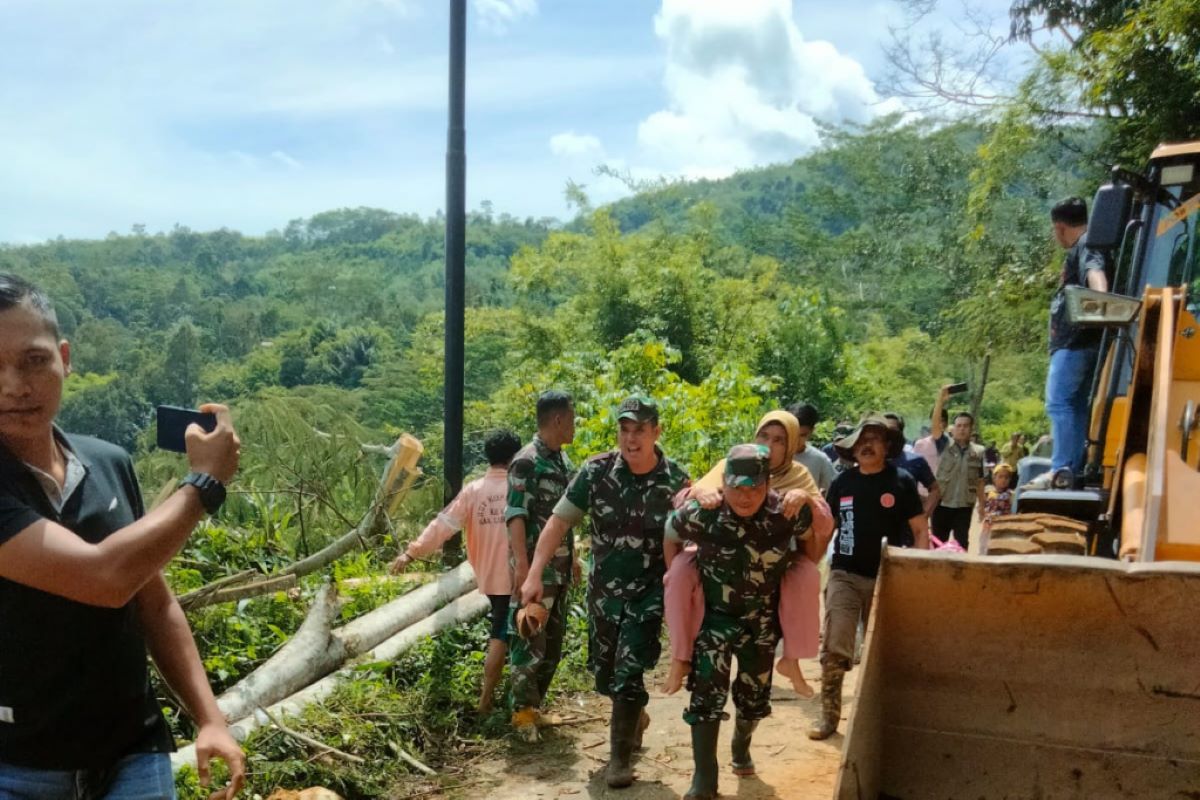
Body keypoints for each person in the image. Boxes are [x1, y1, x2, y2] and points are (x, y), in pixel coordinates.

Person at [0, 274, 245, 799]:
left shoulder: (108, 462)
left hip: (132, 755)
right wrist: (203, 484)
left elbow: (151, 601)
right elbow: (104, 578)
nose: (13, 385)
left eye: (33, 360)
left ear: (65, 357)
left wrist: (210, 719)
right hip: (16, 767)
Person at [520, 396, 690, 789]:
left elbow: (691, 539)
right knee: (605, 675)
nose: (631, 439)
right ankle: (633, 716)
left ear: (656, 431)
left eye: (640, 430)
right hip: (603, 595)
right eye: (624, 430)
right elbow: (558, 523)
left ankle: (619, 760)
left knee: (629, 673)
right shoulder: (596, 472)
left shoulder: (675, 480)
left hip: (648, 594)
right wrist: (533, 573)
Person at [666, 445, 818, 800]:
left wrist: (798, 572)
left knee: (752, 700)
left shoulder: (788, 512)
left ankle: (741, 744)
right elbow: (670, 533)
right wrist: (677, 571)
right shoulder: (703, 512)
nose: (745, 496)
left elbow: (810, 548)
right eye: (736, 487)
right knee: (706, 695)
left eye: (754, 487)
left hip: (762, 621)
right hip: (715, 619)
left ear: (767, 483)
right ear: (724, 483)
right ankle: (705, 778)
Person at [662, 410, 834, 699]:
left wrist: (804, 498)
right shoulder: (735, 463)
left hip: (772, 560)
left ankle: (792, 659)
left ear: (792, 446)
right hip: (719, 555)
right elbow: (687, 501)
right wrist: (701, 494)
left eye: (779, 440)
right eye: (763, 436)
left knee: (806, 576)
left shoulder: (798, 475)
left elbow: (821, 525)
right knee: (678, 572)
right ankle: (680, 657)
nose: (769, 444)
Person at [808, 416, 928, 741]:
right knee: (835, 649)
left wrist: (918, 572)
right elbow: (826, 529)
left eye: (875, 438)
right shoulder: (843, 483)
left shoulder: (901, 481)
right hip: (844, 575)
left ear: (887, 447)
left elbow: (919, 531)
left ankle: (882, 724)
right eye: (862, 438)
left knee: (881, 654)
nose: (867, 444)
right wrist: (807, 566)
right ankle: (829, 718)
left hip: (887, 579)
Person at [390, 429, 521, 712]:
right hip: (516, 577)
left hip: (488, 576)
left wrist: (412, 551)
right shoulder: (519, 487)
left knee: (506, 631)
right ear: (516, 456)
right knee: (501, 633)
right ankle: (487, 699)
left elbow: (444, 525)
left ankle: (506, 695)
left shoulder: (474, 491)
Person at [505, 390, 577, 738]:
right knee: (529, 637)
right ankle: (521, 715)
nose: (574, 426)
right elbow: (515, 514)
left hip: (559, 569)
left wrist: (574, 560)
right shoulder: (526, 461)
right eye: (572, 419)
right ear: (559, 419)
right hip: (534, 570)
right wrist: (521, 566)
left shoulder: (561, 461)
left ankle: (535, 708)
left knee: (552, 641)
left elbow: (565, 517)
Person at [1027, 196, 1109, 489]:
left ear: (1060, 227)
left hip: (1076, 343)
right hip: (1084, 343)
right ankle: (1072, 464)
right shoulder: (1090, 243)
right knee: (1075, 405)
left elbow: (1094, 272)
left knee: (1059, 402)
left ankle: (1062, 466)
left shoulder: (1086, 244)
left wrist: (1102, 301)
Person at [927, 411, 986, 551]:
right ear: (953, 428)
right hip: (942, 503)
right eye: (958, 425)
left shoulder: (978, 452)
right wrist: (941, 399)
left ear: (971, 429)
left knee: (962, 544)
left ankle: (959, 573)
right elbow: (935, 426)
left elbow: (980, 481)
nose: (962, 429)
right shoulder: (943, 445)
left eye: (966, 426)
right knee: (938, 545)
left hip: (964, 506)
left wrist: (982, 505)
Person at [883, 412, 939, 516]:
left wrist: (924, 515)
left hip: (908, 526)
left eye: (892, 431)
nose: (888, 435)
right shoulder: (869, 462)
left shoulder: (915, 461)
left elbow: (935, 489)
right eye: (884, 430)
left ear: (901, 433)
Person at [786, 402, 836, 493]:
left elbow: (834, 489)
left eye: (802, 435)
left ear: (812, 431)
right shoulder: (771, 454)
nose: (795, 439)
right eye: (792, 433)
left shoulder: (819, 459)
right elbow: (751, 481)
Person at [912, 385, 954, 476]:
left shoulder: (948, 442)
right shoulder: (919, 444)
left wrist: (941, 400)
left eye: (941, 421)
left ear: (946, 424)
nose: (938, 423)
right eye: (935, 420)